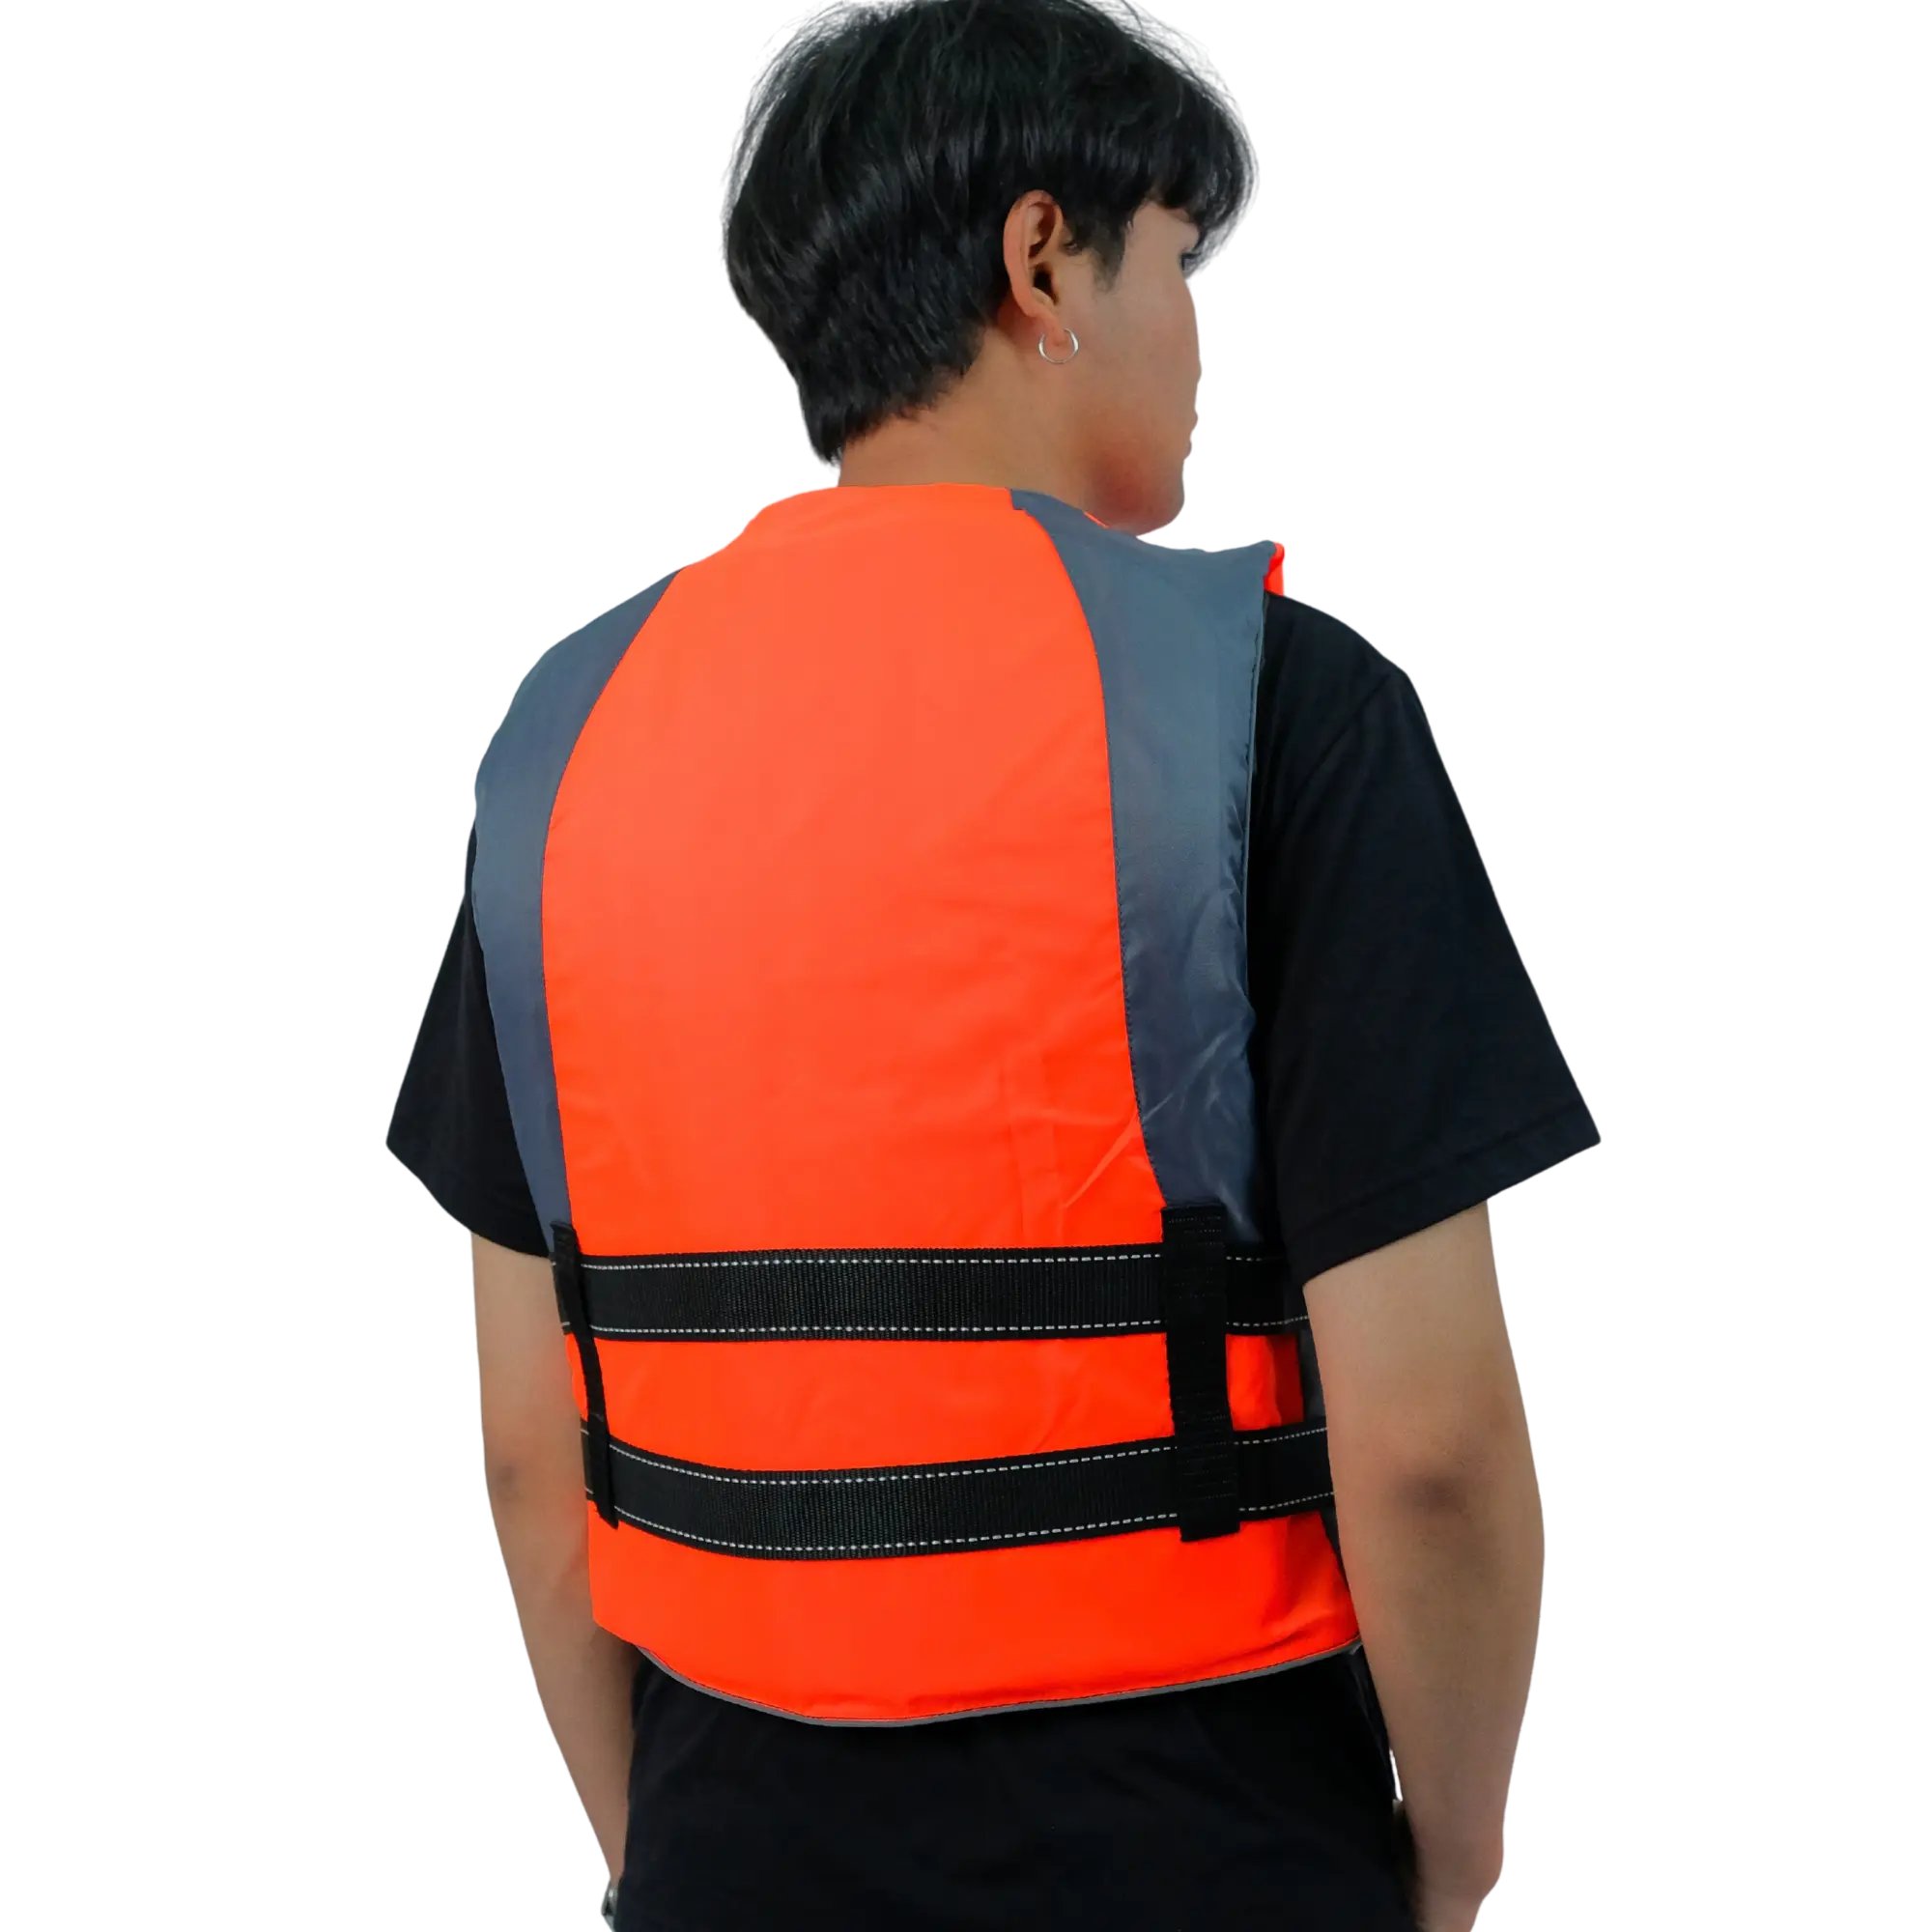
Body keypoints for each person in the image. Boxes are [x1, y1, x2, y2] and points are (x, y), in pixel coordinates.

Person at [384, 4, 1598, 1926]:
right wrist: (1452, 1861)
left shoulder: (563, 737)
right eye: (1180, 263)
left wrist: (657, 1853)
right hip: (1211, 1839)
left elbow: (535, 1449)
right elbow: (1432, 1443)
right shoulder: (1269, 705)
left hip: (731, 1834)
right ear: (1044, 262)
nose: (1196, 336)